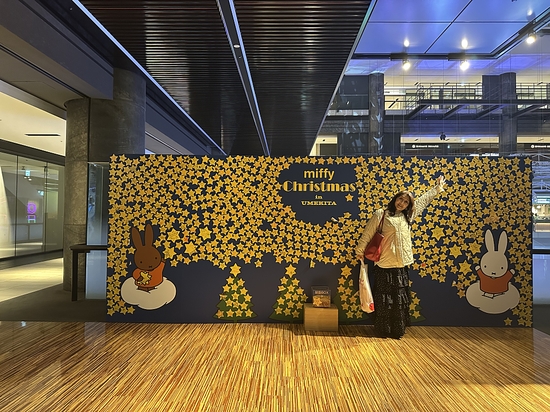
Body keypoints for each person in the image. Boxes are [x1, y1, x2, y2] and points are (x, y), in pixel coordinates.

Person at [355, 176, 446, 339]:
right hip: (384, 264)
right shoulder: (381, 214)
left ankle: (397, 329)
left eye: (405, 202)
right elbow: (368, 233)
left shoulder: (408, 216)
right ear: (395, 199)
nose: (402, 203)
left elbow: (423, 201)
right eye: (400, 199)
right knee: (385, 300)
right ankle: (384, 329)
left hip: (401, 265)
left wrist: (437, 189)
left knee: (398, 300)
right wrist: (360, 250)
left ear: (408, 205)